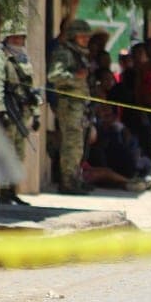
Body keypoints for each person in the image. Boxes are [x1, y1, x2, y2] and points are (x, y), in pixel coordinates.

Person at [0, 20, 41, 205]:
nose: (18, 41)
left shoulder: (23, 61)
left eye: (21, 38)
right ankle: (3, 191)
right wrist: (1, 111)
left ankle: (11, 191)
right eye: (14, 37)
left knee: (18, 153)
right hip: (7, 114)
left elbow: (30, 89)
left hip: (21, 113)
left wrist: (36, 112)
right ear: (7, 38)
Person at [48, 18, 93, 194]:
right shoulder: (64, 52)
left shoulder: (78, 53)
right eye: (83, 36)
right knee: (71, 144)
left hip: (79, 105)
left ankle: (74, 178)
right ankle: (67, 182)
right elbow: (54, 76)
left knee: (78, 145)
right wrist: (75, 76)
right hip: (68, 104)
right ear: (74, 36)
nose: (86, 40)